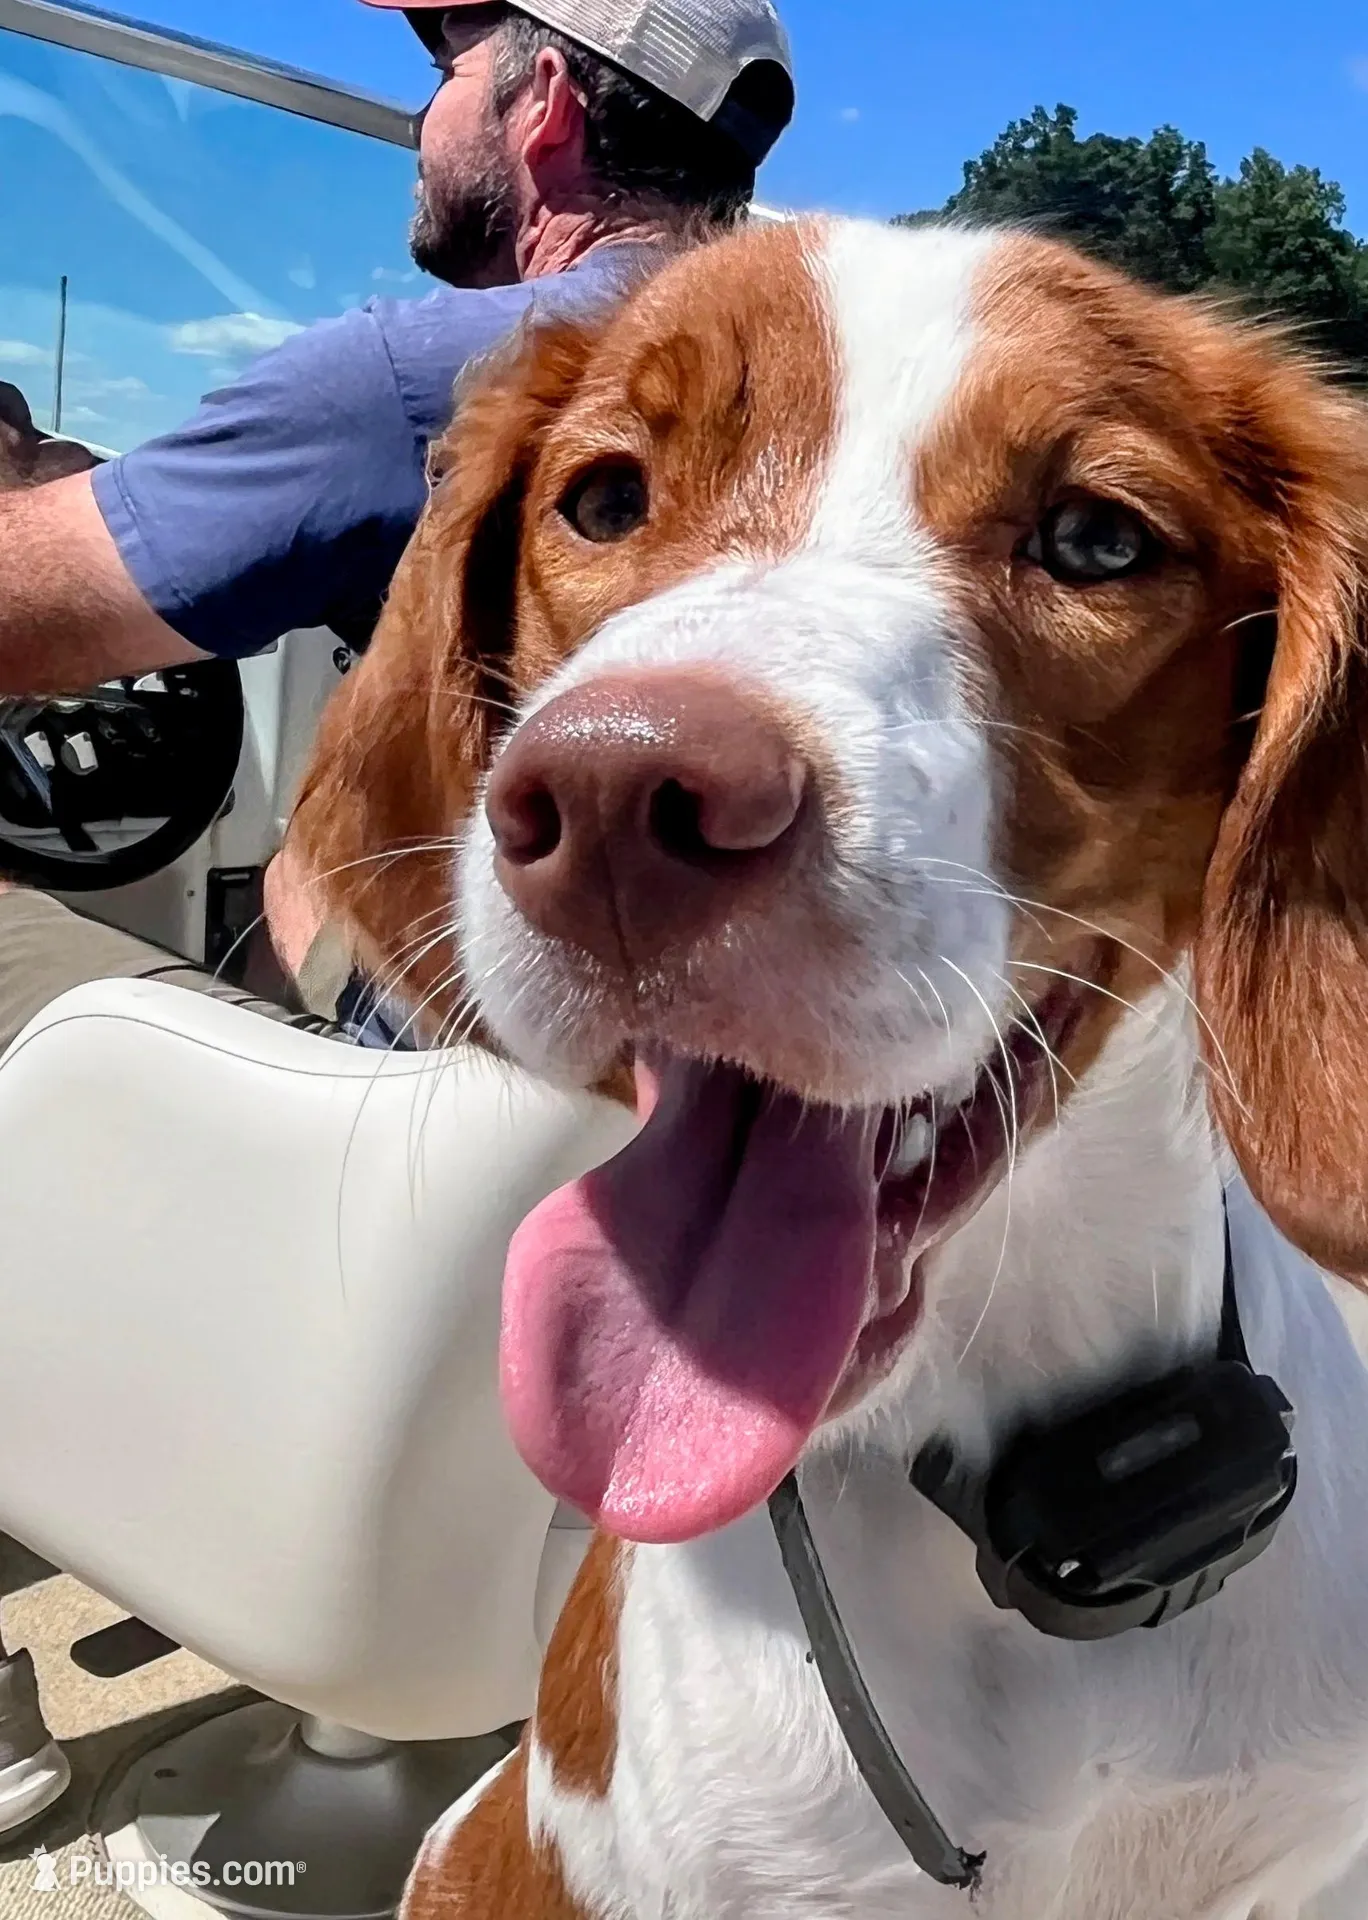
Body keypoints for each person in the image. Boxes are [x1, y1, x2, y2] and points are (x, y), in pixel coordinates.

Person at [0, 0, 793, 1835]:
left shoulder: (438, 374)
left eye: (444, 65)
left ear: (542, 110)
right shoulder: (818, 374)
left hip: (427, 1180)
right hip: (676, 1196)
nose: (420, 108)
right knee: (309, 867)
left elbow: (28, 618)